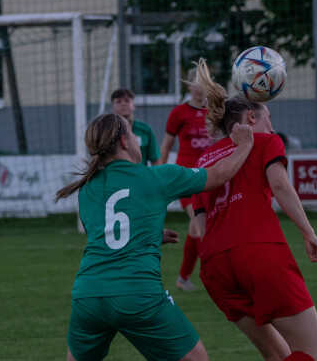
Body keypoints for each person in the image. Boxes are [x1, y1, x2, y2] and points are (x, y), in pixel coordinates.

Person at [54, 112, 254, 361]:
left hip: (88, 295)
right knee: (196, 359)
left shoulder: (88, 188)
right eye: (132, 134)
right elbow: (220, 174)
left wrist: (149, 233)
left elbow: (106, 236)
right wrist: (245, 144)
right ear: (125, 142)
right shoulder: (156, 177)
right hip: (136, 293)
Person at [192, 58, 317, 361]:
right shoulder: (265, 141)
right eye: (269, 117)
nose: (273, 126)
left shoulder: (202, 161)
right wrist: (309, 233)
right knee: (311, 353)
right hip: (257, 251)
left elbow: (202, 225)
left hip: (214, 266)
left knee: (277, 354)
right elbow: (280, 186)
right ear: (251, 118)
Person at [159, 68, 211, 291]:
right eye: (196, 83)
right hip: (185, 178)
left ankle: (182, 278)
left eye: (204, 82)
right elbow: (167, 144)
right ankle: (213, 275)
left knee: (194, 228)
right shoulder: (179, 113)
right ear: (188, 86)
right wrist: (160, 172)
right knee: (201, 225)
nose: (200, 87)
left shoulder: (216, 111)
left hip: (209, 177)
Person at [111, 88, 161, 165]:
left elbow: (155, 159)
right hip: (116, 175)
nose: (123, 104)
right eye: (119, 101)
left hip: (141, 175)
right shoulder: (107, 130)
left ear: (134, 105)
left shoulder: (145, 129)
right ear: (113, 107)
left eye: (127, 101)